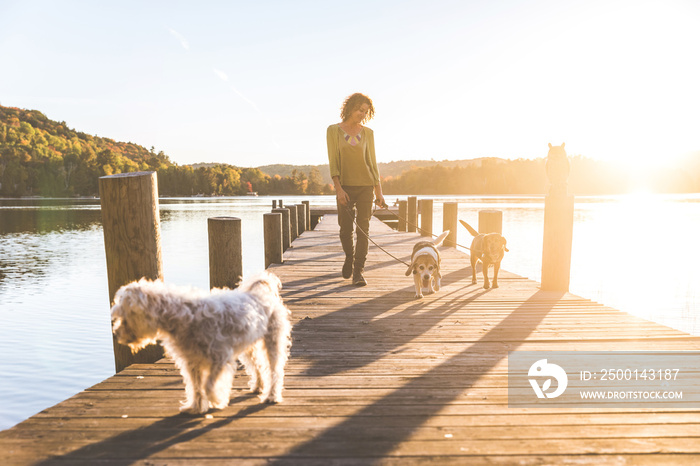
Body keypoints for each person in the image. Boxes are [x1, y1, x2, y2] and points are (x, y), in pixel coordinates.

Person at [327, 92, 386, 286]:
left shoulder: (368, 133)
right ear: (350, 107)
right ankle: (349, 257)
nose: (362, 114)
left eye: (365, 112)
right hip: (345, 187)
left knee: (363, 230)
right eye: (360, 110)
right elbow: (333, 162)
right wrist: (338, 189)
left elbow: (372, 163)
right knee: (345, 230)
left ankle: (358, 271)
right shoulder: (333, 131)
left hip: (365, 187)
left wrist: (379, 192)